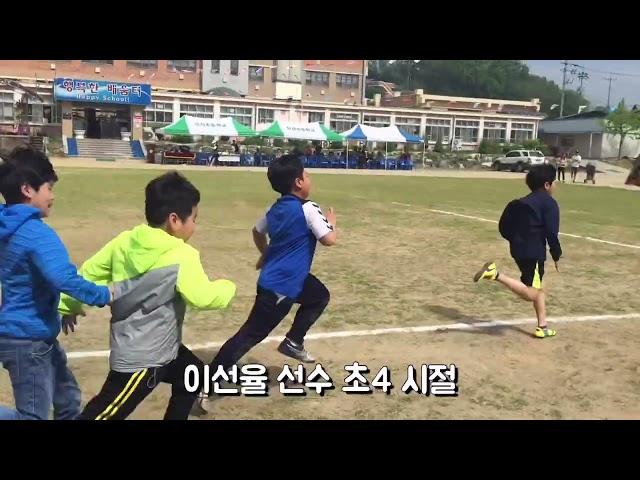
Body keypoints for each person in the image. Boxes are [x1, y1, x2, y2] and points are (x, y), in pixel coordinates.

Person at [59, 171, 237, 420]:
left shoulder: (124, 241)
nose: (195, 226)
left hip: (163, 349)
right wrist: (229, 287)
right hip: (143, 359)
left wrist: (68, 304)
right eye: (195, 219)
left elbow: (87, 274)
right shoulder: (181, 254)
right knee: (103, 414)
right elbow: (202, 297)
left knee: (193, 375)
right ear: (175, 220)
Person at [200, 155, 337, 409]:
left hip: (286, 280)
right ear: (298, 182)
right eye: (306, 174)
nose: (310, 178)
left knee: (318, 296)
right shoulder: (308, 208)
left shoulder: (274, 209)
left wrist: (265, 253)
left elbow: (256, 231)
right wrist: (333, 224)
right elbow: (329, 239)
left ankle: (293, 341)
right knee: (249, 335)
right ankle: (208, 385)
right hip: (281, 289)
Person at [0, 146, 113, 420]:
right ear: (28, 190)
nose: (52, 195)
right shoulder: (36, 234)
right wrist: (105, 294)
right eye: (48, 188)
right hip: (28, 341)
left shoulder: (8, 226)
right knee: (33, 416)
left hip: (33, 335)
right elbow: (62, 277)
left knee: (68, 400)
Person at [474, 164, 561, 339]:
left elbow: (503, 227)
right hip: (534, 251)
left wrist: (515, 240)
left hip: (518, 250)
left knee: (539, 286)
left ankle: (542, 326)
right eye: (554, 182)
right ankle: (495, 274)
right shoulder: (549, 203)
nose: (556, 185)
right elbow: (552, 232)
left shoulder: (517, 203)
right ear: (546, 184)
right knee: (532, 292)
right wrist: (556, 254)